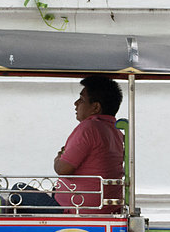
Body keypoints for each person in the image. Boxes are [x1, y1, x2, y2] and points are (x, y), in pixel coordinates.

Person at [12, 77, 124, 213]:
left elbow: (63, 169)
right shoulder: (116, 131)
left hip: (76, 211)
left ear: (95, 107)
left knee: (18, 190)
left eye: (81, 100)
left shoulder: (89, 127)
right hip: (104, 208)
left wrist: (58, 158)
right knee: (52, 190)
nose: (76, 104)